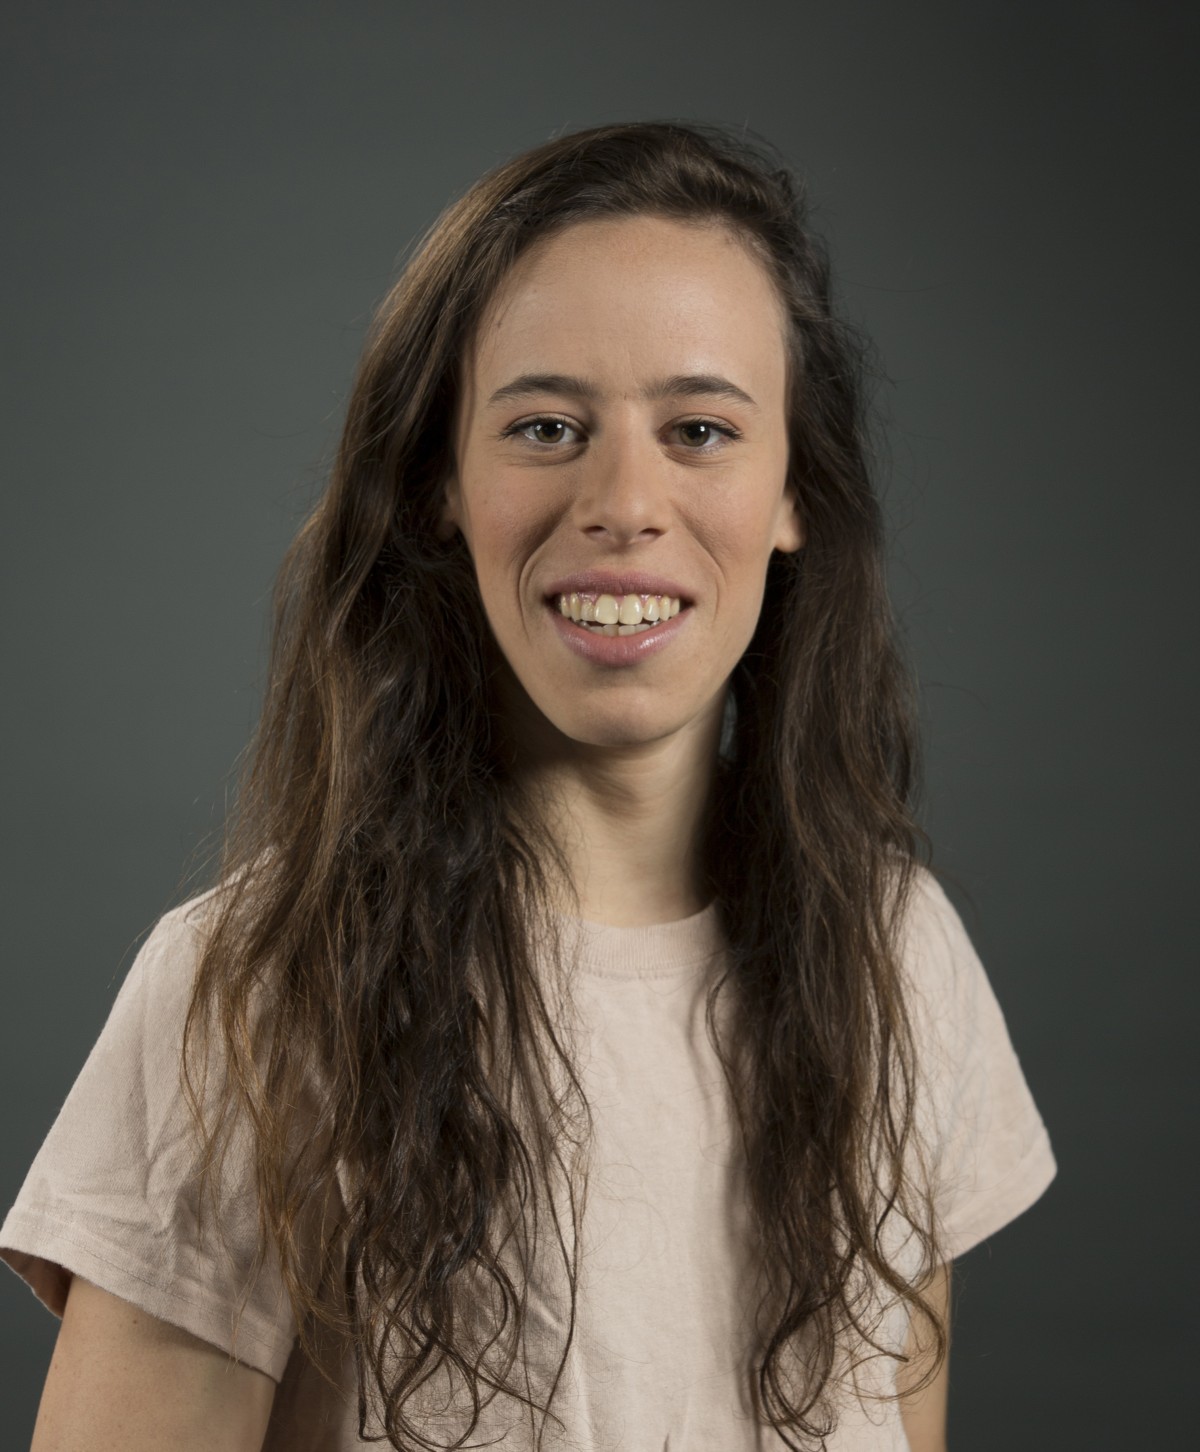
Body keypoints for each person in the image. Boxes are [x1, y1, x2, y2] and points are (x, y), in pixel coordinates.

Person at [1, 120, 1055, 1451]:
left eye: (700, 429)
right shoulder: (259, 990)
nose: (625, 501)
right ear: (441, 485)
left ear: (796, 492)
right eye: (546, 426)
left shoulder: (901, 958)